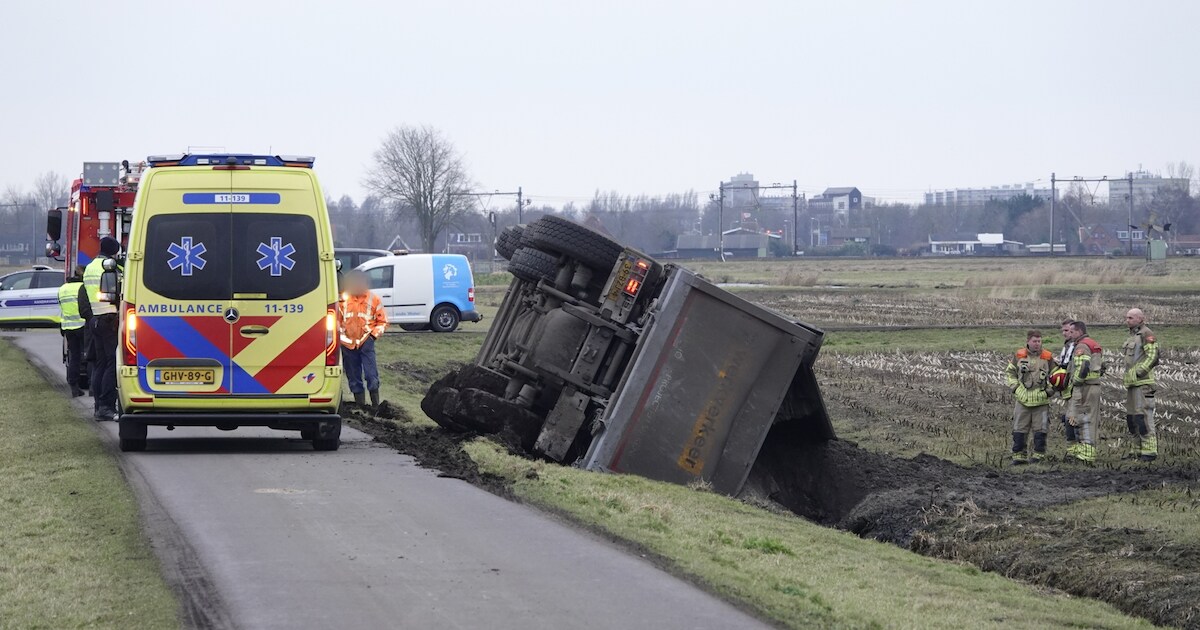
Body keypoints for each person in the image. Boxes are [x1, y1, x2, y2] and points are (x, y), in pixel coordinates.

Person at [81, 236, 122, 421]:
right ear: (114, 251)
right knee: (112, 363)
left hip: (96, 318)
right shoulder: (109, 267)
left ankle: (99, 405)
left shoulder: (90, 267)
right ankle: (106, 407)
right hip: (109, 318)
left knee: (100, 363)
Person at [337, 270, 388, 411]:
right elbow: (335, 322)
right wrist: (341, 339)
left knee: (371, 375)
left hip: (366, 343)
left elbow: (383, 322)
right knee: (353, 377)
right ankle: (361, 407)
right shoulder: (342, 299)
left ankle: (375, 407)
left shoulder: (373, 299)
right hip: (347, 345)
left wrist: (372, 337)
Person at [1004, 329, 1056, 464]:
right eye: (1034, 341)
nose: (1037, 344)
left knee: (1040, 430)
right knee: (1019, 428)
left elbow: (1057, 376)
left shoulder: (1048, 357)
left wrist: (1049, 392)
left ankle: (1038, 456)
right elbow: (1010, 373)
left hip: (1041, 401)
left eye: (1039, 341)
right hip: (1022, 400)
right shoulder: (1019, 355)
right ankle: (1019, 457)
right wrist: (1016, 388)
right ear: (1028, 341)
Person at [1063, 320, 1103, 463]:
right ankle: (1083, 452)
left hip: (1085, 387)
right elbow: (1101, 366)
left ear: (1079, 331)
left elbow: (1083, 366)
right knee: (1087, 417)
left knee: (1083, 418)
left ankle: (1086, 454)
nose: (1069, 334)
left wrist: (1076, 381)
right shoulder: (1093, 344)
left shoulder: (1081, 346)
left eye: (1072, 332)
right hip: (1093, 385)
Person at [1122, 308, 1159, 461]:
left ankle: (1149, 452)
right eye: (1127, 317)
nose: (1127, 320)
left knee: (1143, 417)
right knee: (1132, 418)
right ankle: (1136, 450)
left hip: (1143, 383)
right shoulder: (1133, 336)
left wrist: (1139, 372)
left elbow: (1153, 356)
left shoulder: (1146, 334)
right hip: (1132, 383)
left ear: (1140, 318)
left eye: (1131, 318)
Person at [58, 268, 86, 397]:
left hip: (68, 327)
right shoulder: (82, 287)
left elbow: (62, 308)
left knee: (74, 357)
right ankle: (92, 388)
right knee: (91, 356)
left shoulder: (62, 288)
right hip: (82, 325)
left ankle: (74, 386)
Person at [1055, 318, 1077, 445]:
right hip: (1068, 388)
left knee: (1072, 418)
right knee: (1069, 417)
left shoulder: (1079, 346)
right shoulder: (1067, 345)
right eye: (1063, 331)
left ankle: (1074, 447)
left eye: (1067, 330)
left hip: (1076, 388)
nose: (1064, 333)